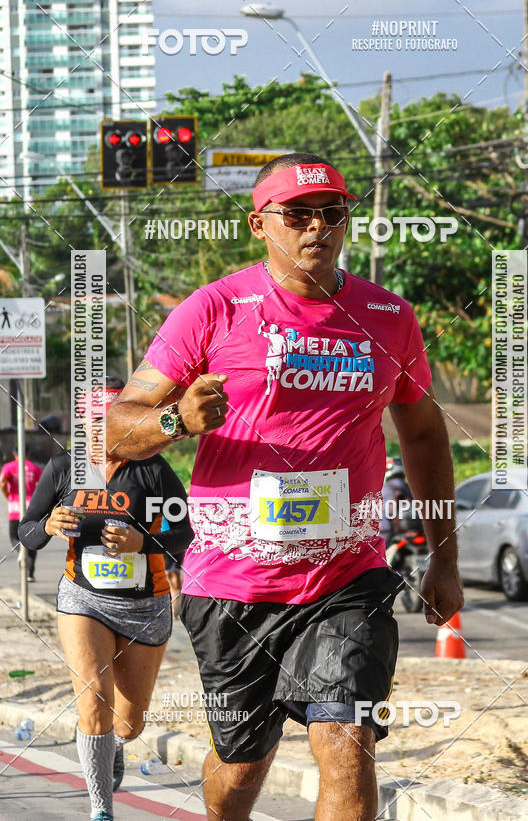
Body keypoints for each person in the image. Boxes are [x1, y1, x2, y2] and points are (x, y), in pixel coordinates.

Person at [106, 153, 463, 821]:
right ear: (259, 224)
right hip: (233, 585)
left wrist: (444, 558)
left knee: (346, 742)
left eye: (333, 213)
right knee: (241, 766)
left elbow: (423, 433)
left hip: (345, 577)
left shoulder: (387, 315)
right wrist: (174, 418)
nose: (317, 227)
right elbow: (115, 431)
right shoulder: (213, 308)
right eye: (297, 214)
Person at [19, 377, 193, 821]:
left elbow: (186, 533)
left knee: (129, 723)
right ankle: (102, 811)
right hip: (83, 598)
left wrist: (143, 542)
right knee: (93, 700)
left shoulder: (152, 469)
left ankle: (115, 745)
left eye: (109, 419)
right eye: (92, 420)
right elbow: (28, 531)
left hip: (145, 605)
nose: (100, 429)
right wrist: (49, 526)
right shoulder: (63, 468)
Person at [1, 447, 42, 581]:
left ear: (14, 454)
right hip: (31, 506)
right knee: (32, 538)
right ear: (28, 453)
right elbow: (42, 486)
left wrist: (8, 495)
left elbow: (2, 483)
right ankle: (30, 573)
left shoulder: (8, 467)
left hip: (15, 506)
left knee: (14, 536)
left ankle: (20, 552)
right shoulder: (35, 468)